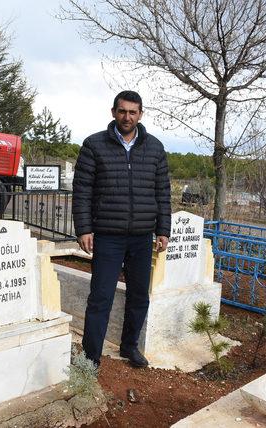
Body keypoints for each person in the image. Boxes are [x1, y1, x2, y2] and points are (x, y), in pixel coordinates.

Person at [72, 90, 171, 368]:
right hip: (107, 236)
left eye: (133, 112)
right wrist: (84, 229)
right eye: (122, 111)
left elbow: (162, 191)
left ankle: (130, 347)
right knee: (100, 298)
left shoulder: (154, 148)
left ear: (140, 114)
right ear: (113, 112)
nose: (127, 117)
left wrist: (163, 229)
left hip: (142, 237)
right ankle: (90, 359)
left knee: (139, 296)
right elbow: (82, 191)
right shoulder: (94, 145)